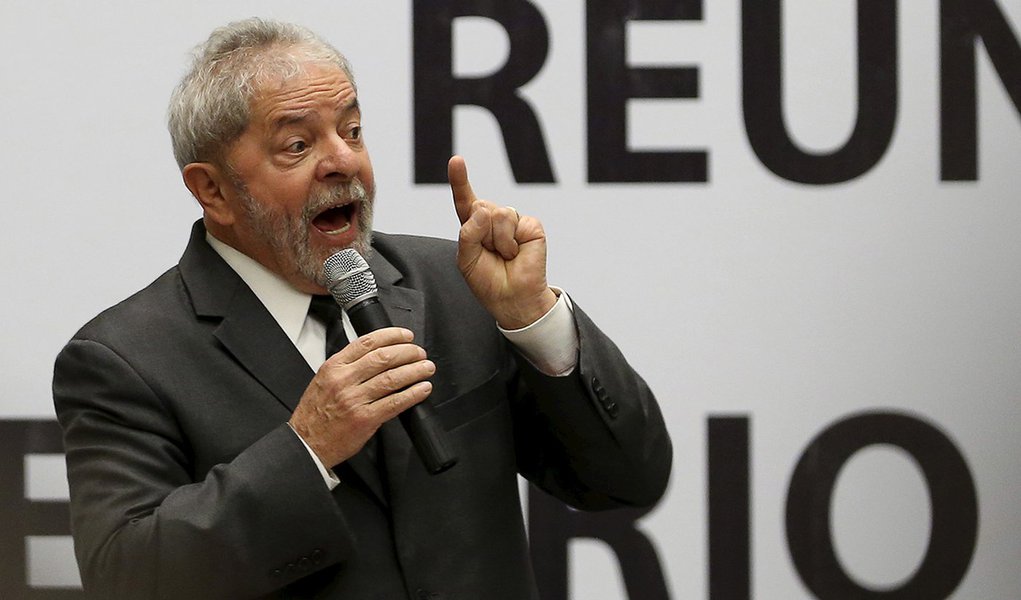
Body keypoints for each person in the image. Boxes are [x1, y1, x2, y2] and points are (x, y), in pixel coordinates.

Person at [53, 17, 671, 599]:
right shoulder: (125, 359)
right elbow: (126, 576)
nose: (344, 161)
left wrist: (532, 319)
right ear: (212, 189)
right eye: (297, 145)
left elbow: (628, 479)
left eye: (351, 131)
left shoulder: (459, 286)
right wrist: (308, 448)